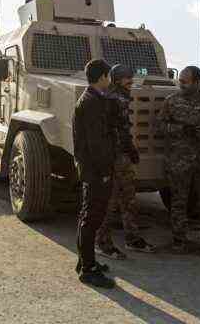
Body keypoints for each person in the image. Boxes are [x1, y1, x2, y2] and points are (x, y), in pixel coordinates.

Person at [158, 65, 200, 255]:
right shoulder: (172, 101)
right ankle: (179, 240)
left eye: (185, 82)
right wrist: (180, 129)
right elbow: (160, 125)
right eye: (181, 81)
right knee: (178, 201)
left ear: (197, 82)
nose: (182, 85)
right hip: (178, 160)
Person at [95, 64, 156, 260]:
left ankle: (132, 238)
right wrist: (130, 149)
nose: (131, 81)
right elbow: (118, 131)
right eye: (127, 78)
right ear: (116, 79)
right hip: (114, 156)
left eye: (131, 77)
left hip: (122, 157)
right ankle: (101, 242)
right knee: (110, 201)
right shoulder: (114, 99)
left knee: (128, 198)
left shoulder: (118, 96)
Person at [73, 59, 116, 288]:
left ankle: (85, 261)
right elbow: (96, 143)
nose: (110, 80)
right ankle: (88, 270)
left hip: (93, 168)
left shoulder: (93, 99)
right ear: (102, 77)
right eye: (108, 76)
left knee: (89, 216)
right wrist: (104, 171)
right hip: (96, 170)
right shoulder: (91, 103)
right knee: (91, 218)